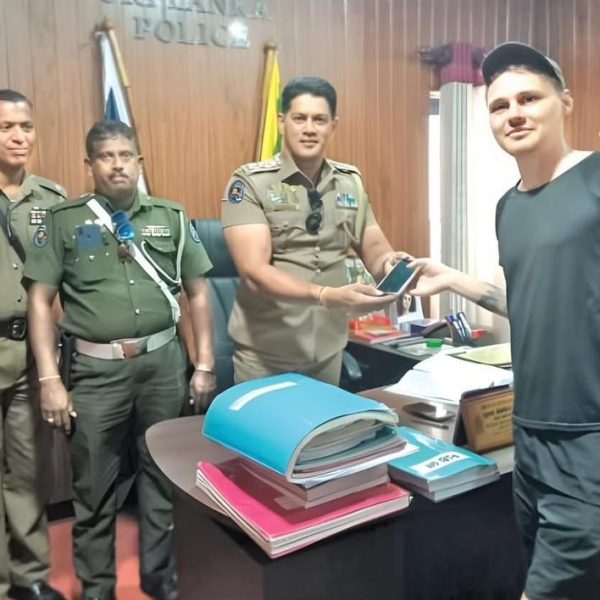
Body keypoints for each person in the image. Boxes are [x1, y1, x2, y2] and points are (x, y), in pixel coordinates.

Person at [410, 42, 600, 600]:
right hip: (529, 432)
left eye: (529, 98)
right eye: (499, 105)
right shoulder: (508, 206)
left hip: (589, 435)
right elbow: (529, 302)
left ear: (564, 103)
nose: (514, 113)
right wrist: (452, 279)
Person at [25, 121, 216, 600]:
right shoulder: (64, 221)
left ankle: (160, 578)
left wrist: (204, 365)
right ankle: (98, 589)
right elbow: (40, 301)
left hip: (163, 366)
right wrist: (49, 379)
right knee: (93, 487)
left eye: (125, 155)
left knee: (163, 479)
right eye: (106, 156)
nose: (117, 165)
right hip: (95, 374)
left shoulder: (171, 217)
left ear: (139, 162)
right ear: (89, 165)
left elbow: (197, 293)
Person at [221, 76, 408, 385]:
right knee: (268, 420)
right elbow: (254, 272)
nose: (309, 128)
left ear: (333, 125)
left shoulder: (350, 182)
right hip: (266, 355)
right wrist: (325, 295)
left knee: (327, 421)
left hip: (327, 351)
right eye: (300, 118)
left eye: (319, 119)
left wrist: (391, 265)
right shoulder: (249, 183)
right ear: (282, 122)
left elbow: (374, 247)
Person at [0, 89, 66, 600]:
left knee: (27, 473)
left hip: (29, 354)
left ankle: (28, 577)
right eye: (5, 127)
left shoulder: (52, 199)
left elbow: (70, 279)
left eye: (25, 126)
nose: (18, 136)